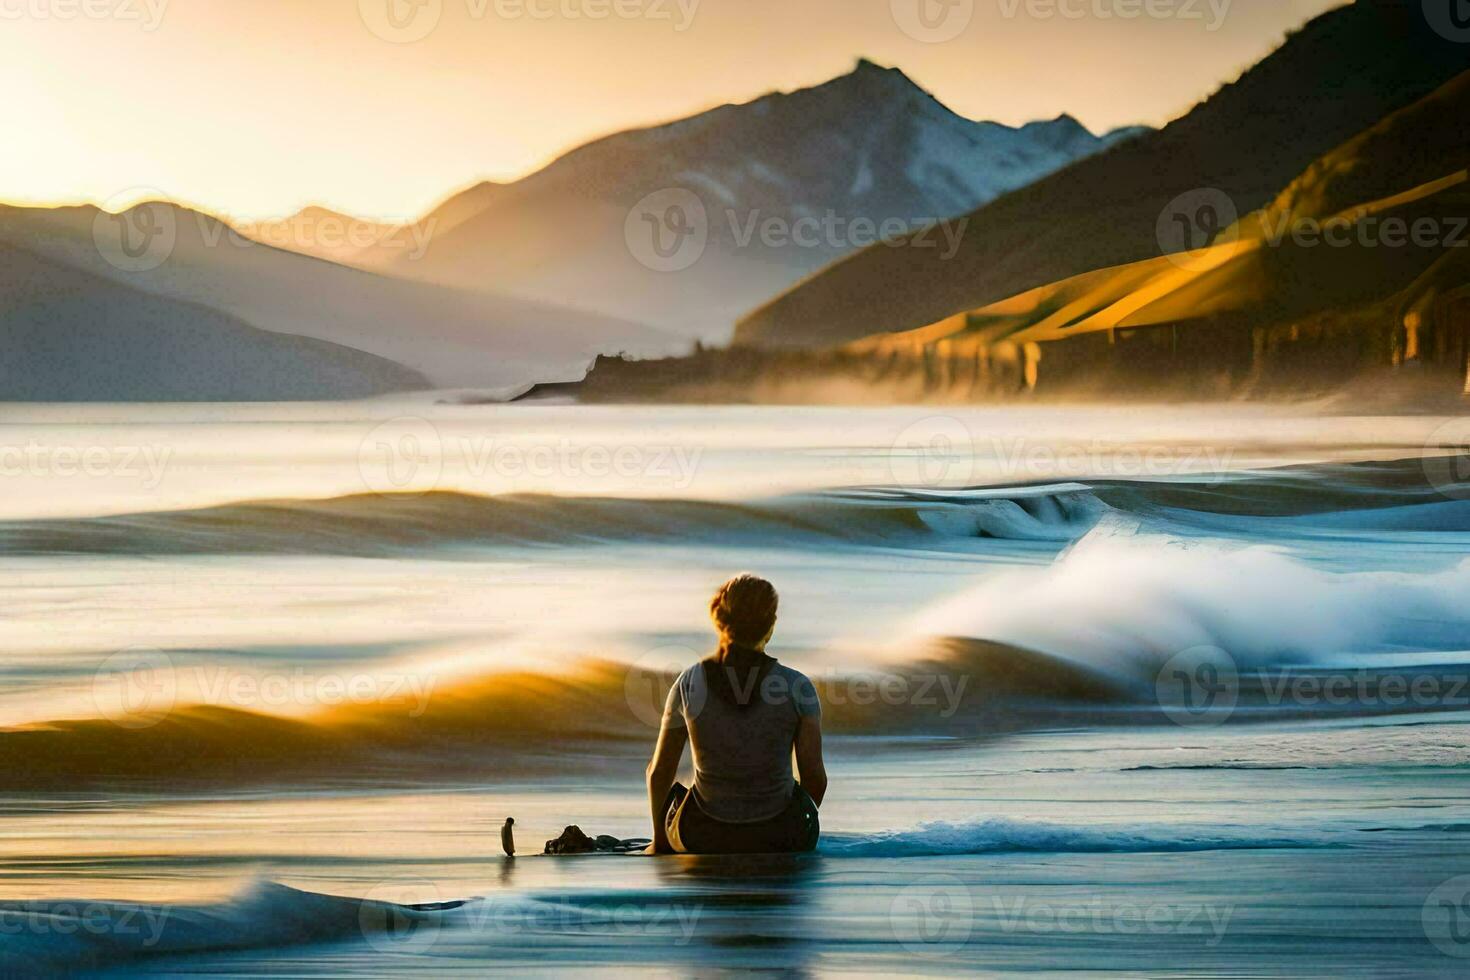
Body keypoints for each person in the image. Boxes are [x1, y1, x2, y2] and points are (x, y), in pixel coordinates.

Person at [645, 574, 827, 854]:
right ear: (771, 625)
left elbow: (659, 773)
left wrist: (659, 842)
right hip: (781, 836)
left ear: (719, 619)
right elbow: (815, 778)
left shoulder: (690, 682)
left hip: (703, 835)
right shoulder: (796, 686)